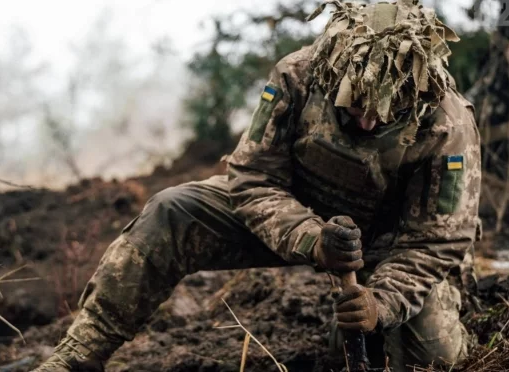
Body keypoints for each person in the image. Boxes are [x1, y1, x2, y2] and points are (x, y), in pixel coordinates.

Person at [33, 0, 481, 371]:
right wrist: (311, 239)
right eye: (355, 104)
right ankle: (77, 355)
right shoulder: (299, 76)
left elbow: (435, 242)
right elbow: (252, 177)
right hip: (293, 210)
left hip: (387, 246)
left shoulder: (445, 124)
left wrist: (380, 304)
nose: (367, 120)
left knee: (430, 359)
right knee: (172, 210)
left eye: (384, 111)